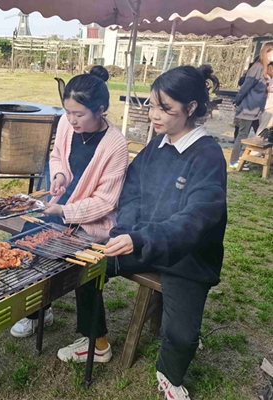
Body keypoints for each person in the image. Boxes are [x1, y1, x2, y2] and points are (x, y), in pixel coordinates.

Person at [105, 65, 226, 400]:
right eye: (152, 105)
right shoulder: (156, 145)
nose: (153, 115)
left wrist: (141, 238)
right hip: (140, 241)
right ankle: (96, 339)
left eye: (165, 108)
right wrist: (127, 231)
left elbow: (197, 219)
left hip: (187, 257)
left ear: (190, 108)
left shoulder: (208, 155)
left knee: (183, 336)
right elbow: (131, 191)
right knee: (86, 265)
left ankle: (169, 375)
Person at [10, 73, 129, 364]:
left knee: (81, 266)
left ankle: (98, 344)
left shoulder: (116, 145)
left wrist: (65, 211)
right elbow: (57, 156)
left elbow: (106, 202)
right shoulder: (66, 123)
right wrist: (61, 176)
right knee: (26, 240)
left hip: (93, 222)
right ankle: (38, 312)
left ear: (100, 110)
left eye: (79, 114)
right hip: (61, 208)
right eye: (68, 112)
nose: (72, 120)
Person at [230, 43, 273, 167]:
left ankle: (251, 158)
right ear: (266, 52)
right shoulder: (257, 67)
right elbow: (245, 87)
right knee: (242, 135)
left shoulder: (268, 68)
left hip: (259, 110)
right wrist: (237, 101)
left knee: (261, 135)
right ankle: (234, 161)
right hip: (248, 108)